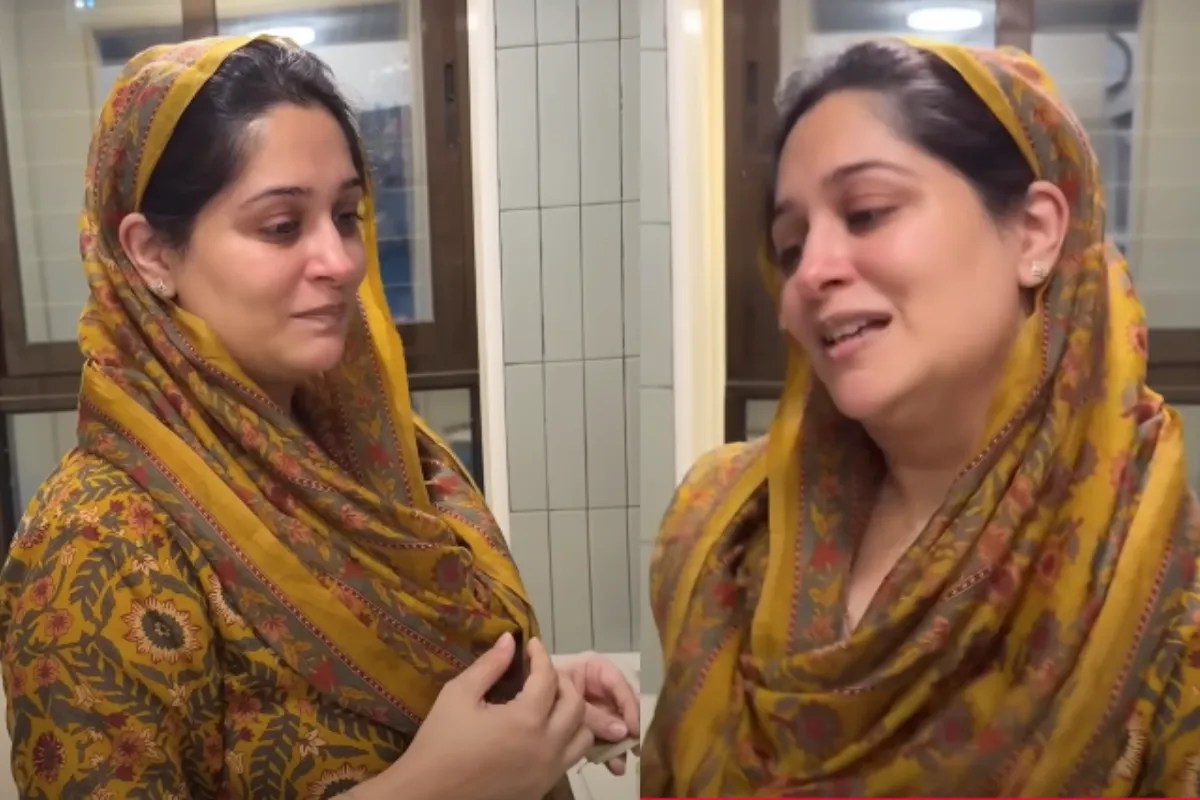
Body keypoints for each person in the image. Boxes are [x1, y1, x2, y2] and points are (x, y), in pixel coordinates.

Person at [0, 35, 638, 799]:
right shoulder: (94, 542)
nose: (338, 261)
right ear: (151, 254)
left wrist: (532, 705)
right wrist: (433, 788)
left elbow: (370, 694)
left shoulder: (383, 456)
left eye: (346, 214)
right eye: (281, 225)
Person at [641, 37, 1200, 797]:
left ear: (1035, 232)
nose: (813, 272)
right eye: (790, 246)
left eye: (867, 212)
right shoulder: (721, 533)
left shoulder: (1162, 590)